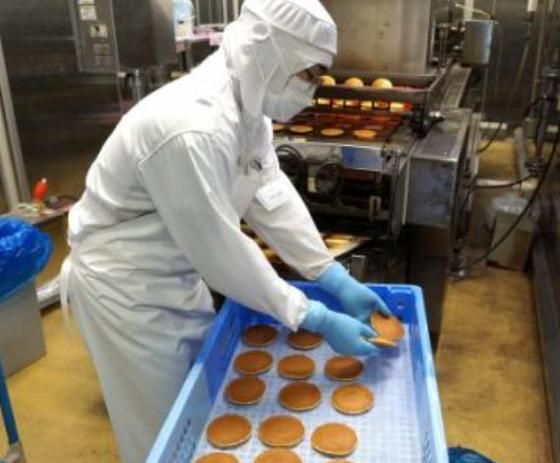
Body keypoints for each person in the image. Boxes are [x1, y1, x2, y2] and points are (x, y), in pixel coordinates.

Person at [64, 0, 389, 461]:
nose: (311, 91)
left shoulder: (247, 110)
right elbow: (219, 249)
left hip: (177, 273)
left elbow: (268, 191)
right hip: (125, 292)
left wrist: (329, 273)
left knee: (203, 406)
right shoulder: (190, 128)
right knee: (162, 433)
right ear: (269, 48)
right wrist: (312, 316)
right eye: (308, 74)